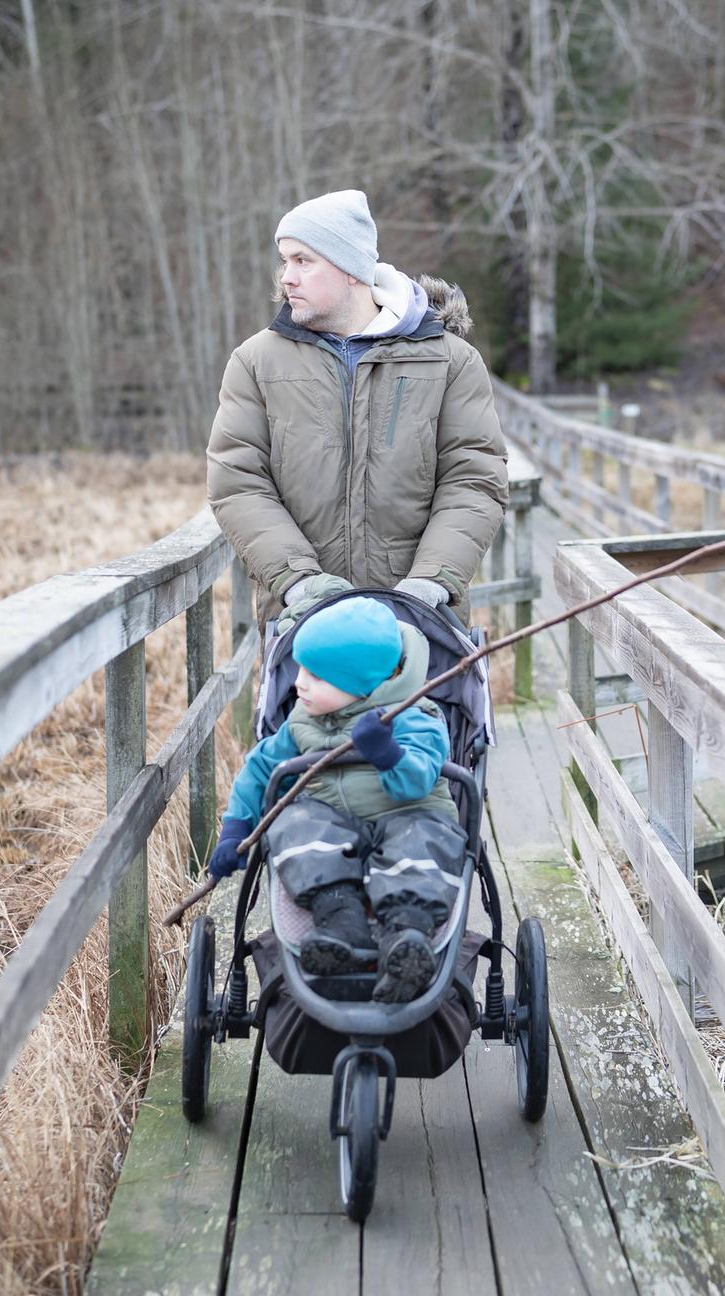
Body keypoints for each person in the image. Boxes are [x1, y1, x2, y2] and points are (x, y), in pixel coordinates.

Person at [206, 188, 508, 625]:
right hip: (302, 625)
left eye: (303, 261)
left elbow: (474, 478)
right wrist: (298, 580)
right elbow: (237, 481)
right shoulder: (255, 363)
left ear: (351, 269)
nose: (286, 277)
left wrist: (432, 581)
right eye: (285, 261)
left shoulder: (449, 361)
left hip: (422, 624)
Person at [207, 595, 467, 1004]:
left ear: (360, 683)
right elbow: (260, 770)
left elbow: (416, 782)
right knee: (294, 823)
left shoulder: (417, 717)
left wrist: (386, 751)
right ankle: (339, 922)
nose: (299, 683)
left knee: (424, 839)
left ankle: (408, 936)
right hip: (333, 826)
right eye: (299, 670)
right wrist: (237, 829)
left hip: (407, 814)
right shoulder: (301, 723)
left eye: (316, 676)